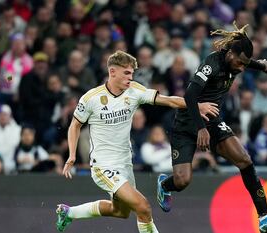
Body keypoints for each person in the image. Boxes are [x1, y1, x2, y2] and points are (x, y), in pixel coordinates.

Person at [55, 50, 219, 233]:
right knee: (143, 206)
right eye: (126, 73)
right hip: (103, 165)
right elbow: (74, 126)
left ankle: (68, 213)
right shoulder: (91, 98)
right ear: (112, 72)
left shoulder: (134, 90)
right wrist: (71, 155)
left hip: (125, 163)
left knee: (119, 211)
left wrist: (195, 105)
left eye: (132, 73)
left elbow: (169, 101)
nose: (130, 78)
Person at [157, 22, 267, 232]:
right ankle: (165, 185)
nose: (241, 67)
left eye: (245, 64)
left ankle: (264, 218)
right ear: (229, 54)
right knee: (182, 181)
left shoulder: (237, 62)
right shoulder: (212, 63)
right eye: (240, 62)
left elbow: (246, 61)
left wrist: (260, 65)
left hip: (214, 122)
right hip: (187, 123)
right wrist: (200, 128)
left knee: (245, 160)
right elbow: (190, 96)